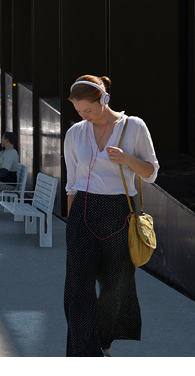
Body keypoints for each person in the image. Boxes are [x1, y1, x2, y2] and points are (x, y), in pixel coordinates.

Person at [63, 75, 159, 358]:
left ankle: (103, 344)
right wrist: (71, 222)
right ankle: (85, 352)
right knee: (78, 289)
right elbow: (71, 183)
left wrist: (127, 159)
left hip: (119, 212)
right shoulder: (75, 133)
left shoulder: (133, 127)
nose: (84, 117)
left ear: (104, 100)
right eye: (79, 112)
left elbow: (151, 173)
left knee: (115, 287)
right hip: (82, 210)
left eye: (88, 110)